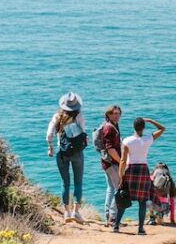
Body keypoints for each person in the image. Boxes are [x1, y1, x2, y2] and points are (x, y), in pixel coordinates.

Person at [114, 116, 165, 234]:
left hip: (130, 170)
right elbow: (162, 128)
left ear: (133, 127)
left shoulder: (127, 141)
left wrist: (121, 176)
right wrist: (151, 120)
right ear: (144, 127)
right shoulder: (148, 139)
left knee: (124, 197)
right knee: (142, 201)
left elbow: (122, 160)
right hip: (143, 170)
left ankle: (116, 226)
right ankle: (141, 229)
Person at [46, 92, 87, 222]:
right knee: (78, 182)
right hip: (77, 153)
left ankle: (67, 213)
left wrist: (50, 148)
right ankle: (76, 212)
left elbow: (49, 135)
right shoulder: (79, 116)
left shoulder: (57, 116)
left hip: (62, 153)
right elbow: (84, 133)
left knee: (65, 183)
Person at [95, 105, 124, 225]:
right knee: (119, 188)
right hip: (112, 163)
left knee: (111, 188)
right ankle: (112, 218)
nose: (117, 116)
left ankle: (108, 216)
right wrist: (121, 160)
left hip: (107, 162)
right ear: (108, 115)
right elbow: (110, 148)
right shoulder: (109, 128)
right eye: (114, 114)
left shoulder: (113, 125)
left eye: (118, 113)